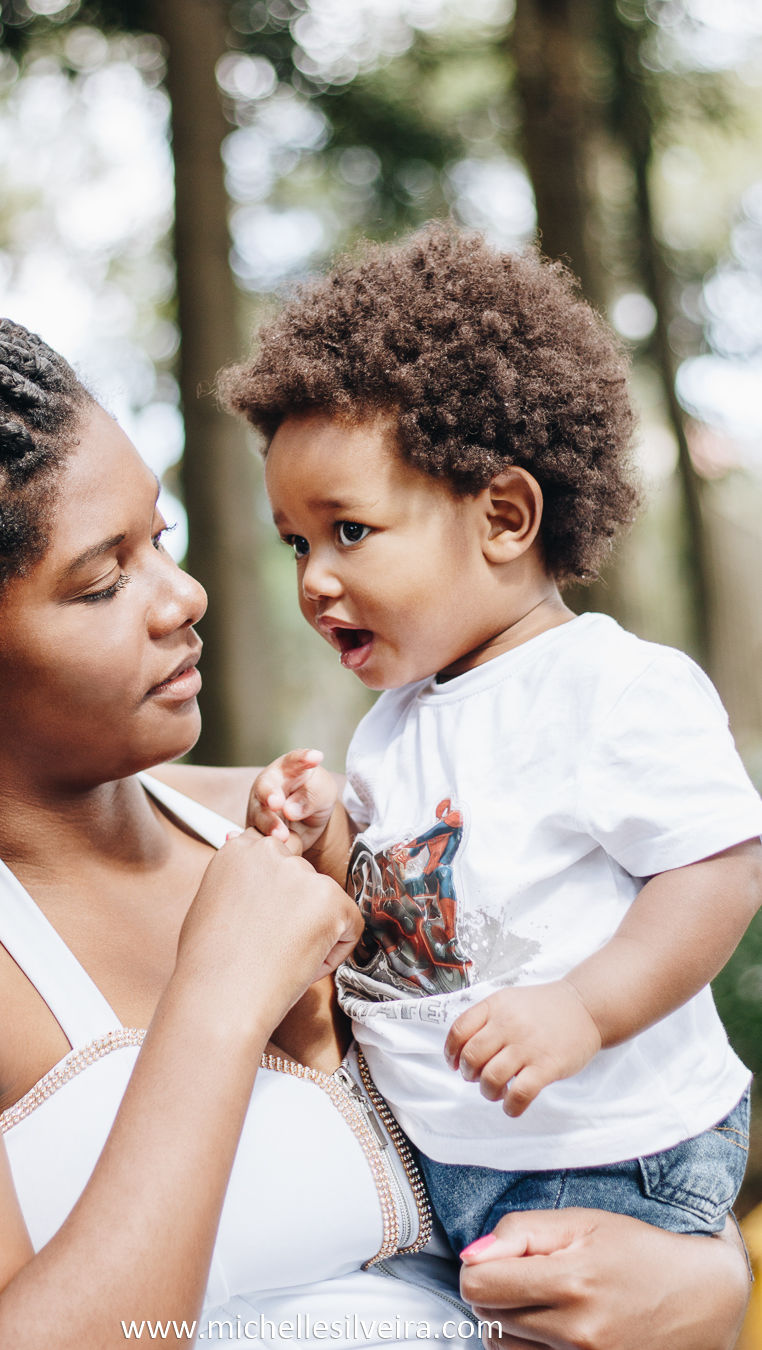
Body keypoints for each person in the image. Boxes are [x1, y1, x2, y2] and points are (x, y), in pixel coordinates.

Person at [0, 234, 752, 1350]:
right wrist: (223, 991)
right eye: (102, 580)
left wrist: (702, 1283)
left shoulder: (320, 823)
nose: (183, 596)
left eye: (163, 538)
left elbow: (601, 1129)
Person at [230, 225, 762, 1256]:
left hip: (613, 1155)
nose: (313, 579)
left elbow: (720, 871)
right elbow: (413, 906)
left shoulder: (608, 686)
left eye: (349, 530)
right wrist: (325, 829)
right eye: (295, 542)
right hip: (460, 1159)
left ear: (506, 516)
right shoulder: (397, 722)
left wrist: (583, 1010)